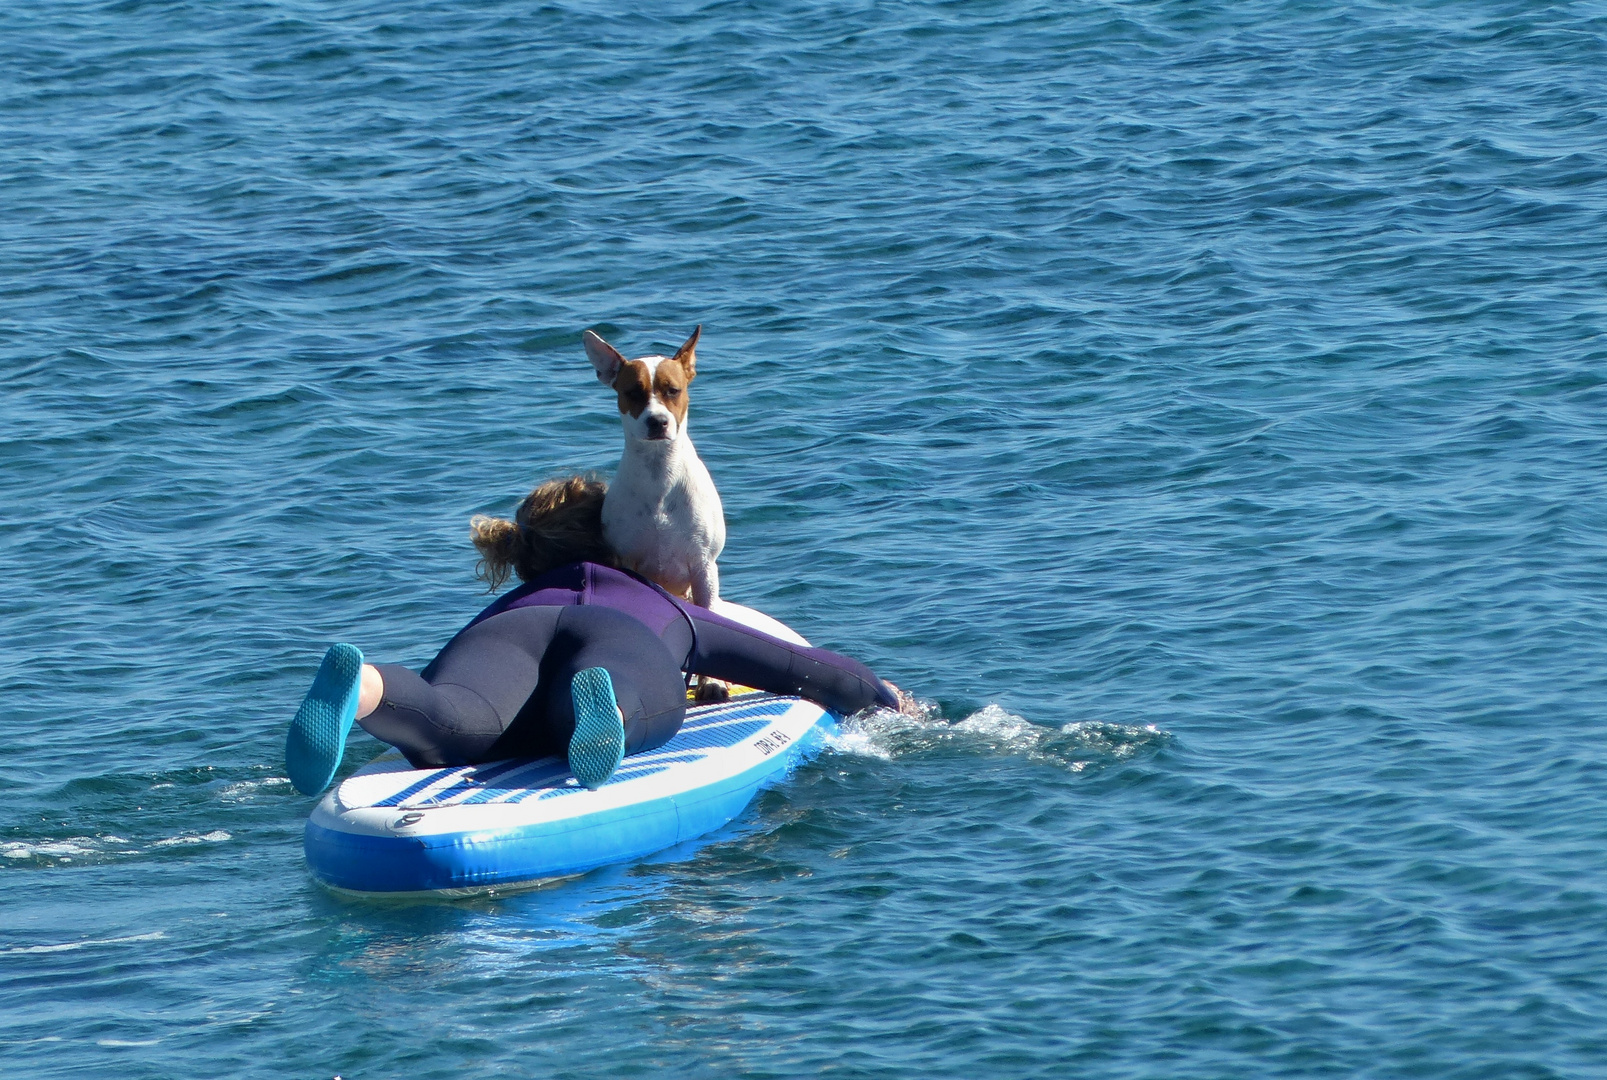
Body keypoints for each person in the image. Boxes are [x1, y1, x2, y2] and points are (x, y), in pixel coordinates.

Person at [284, 477, 914, 796]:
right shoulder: (658, 603)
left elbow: (450, 675)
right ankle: (608, 704)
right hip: (621, 634)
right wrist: (890, 702)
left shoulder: (508, 603)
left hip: (505, 639)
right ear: (620, 541)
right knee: (630, 688)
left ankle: (364, 689)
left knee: (449, 720)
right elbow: (800, 667)